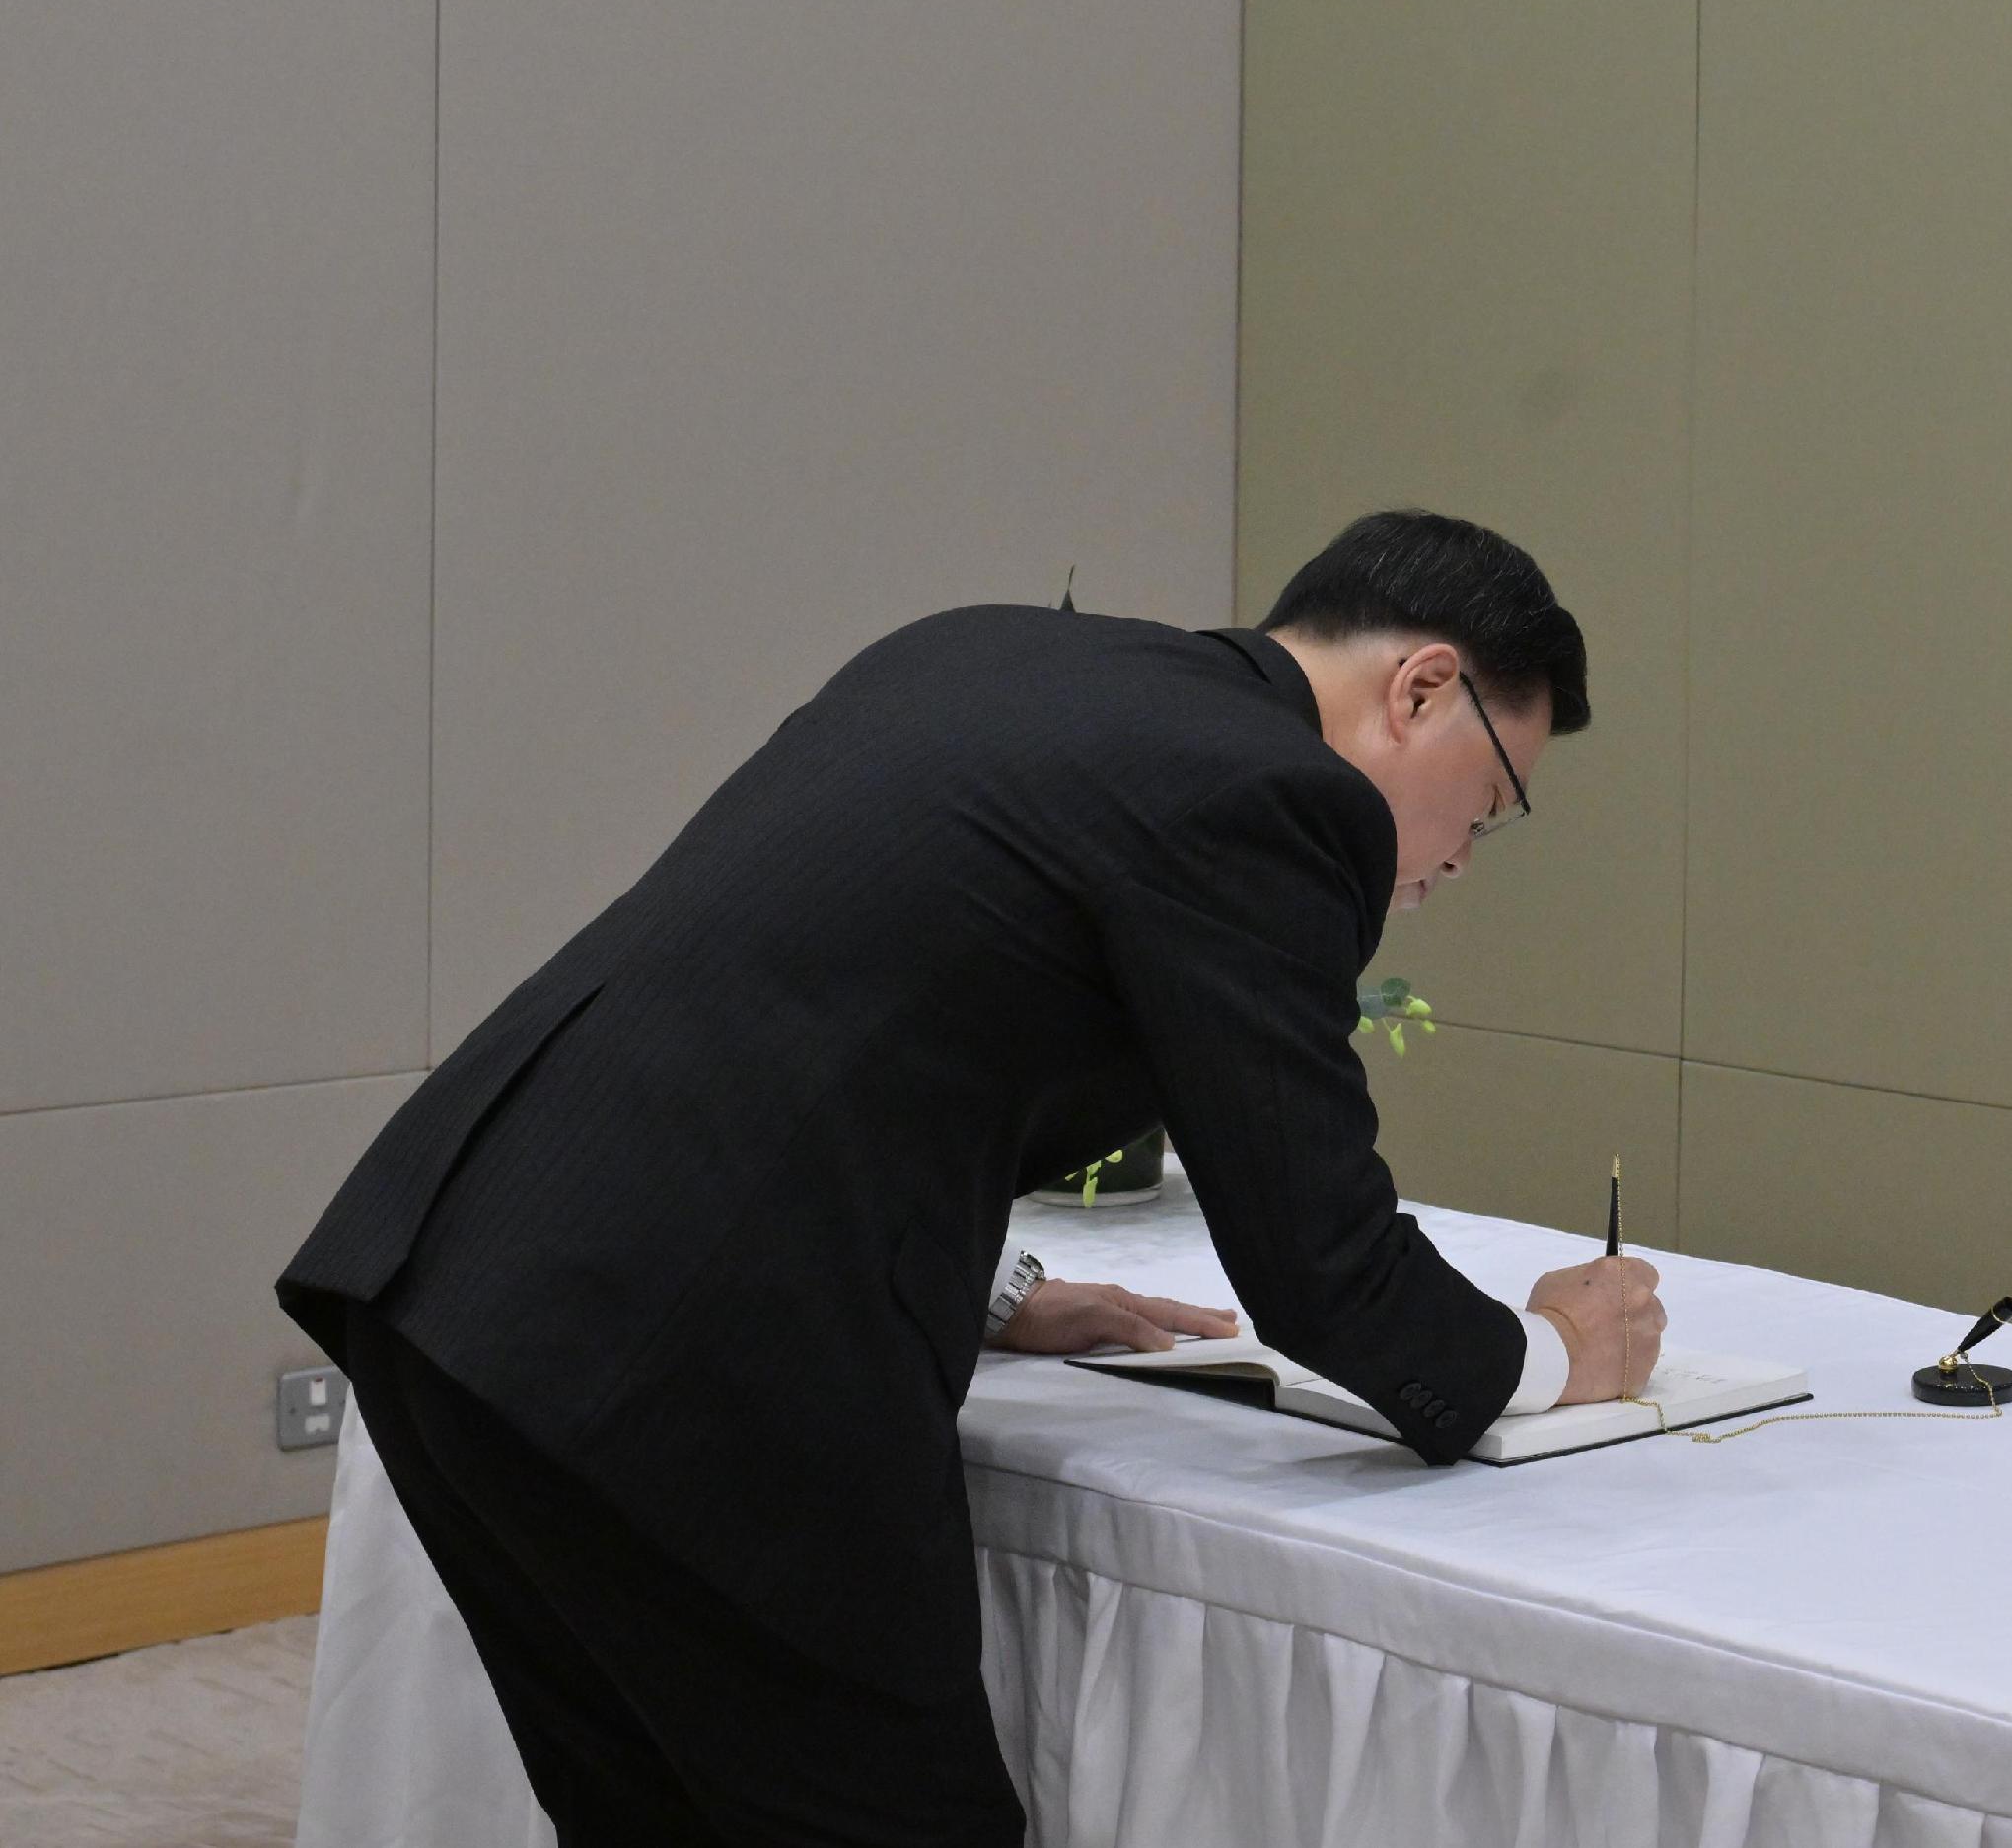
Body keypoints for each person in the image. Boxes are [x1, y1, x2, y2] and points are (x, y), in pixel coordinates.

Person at [277, 509, 1663, 1846]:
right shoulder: (1269, 792)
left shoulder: (990, 653)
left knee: (657, 1816)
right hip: (685, 1371)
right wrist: (1545, 1354)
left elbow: (828, 1016)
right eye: (1487, 803)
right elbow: (1320, 1262)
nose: (1459, 858)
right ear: (1421, 687)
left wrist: (997, 1285)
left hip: (462, 1284)